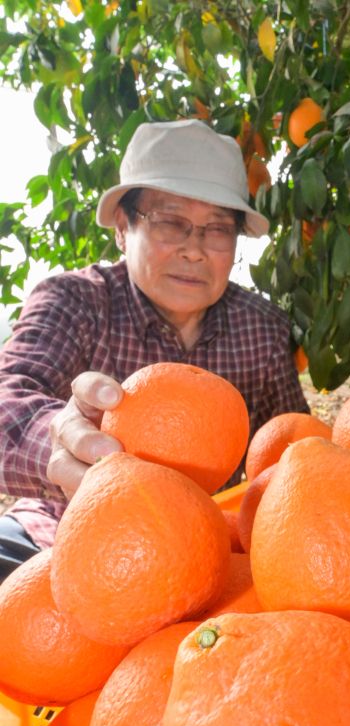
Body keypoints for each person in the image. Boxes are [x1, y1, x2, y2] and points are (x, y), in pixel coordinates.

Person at [0, 119, 309, 580]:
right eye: (170, 221)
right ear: (122, 228)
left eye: (217, 229)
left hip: (198, 555)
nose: (194, 250)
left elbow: (291, 448)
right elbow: (8, 399)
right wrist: (65, 437)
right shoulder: (76, 302)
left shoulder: (261, 327)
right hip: (54, 539)